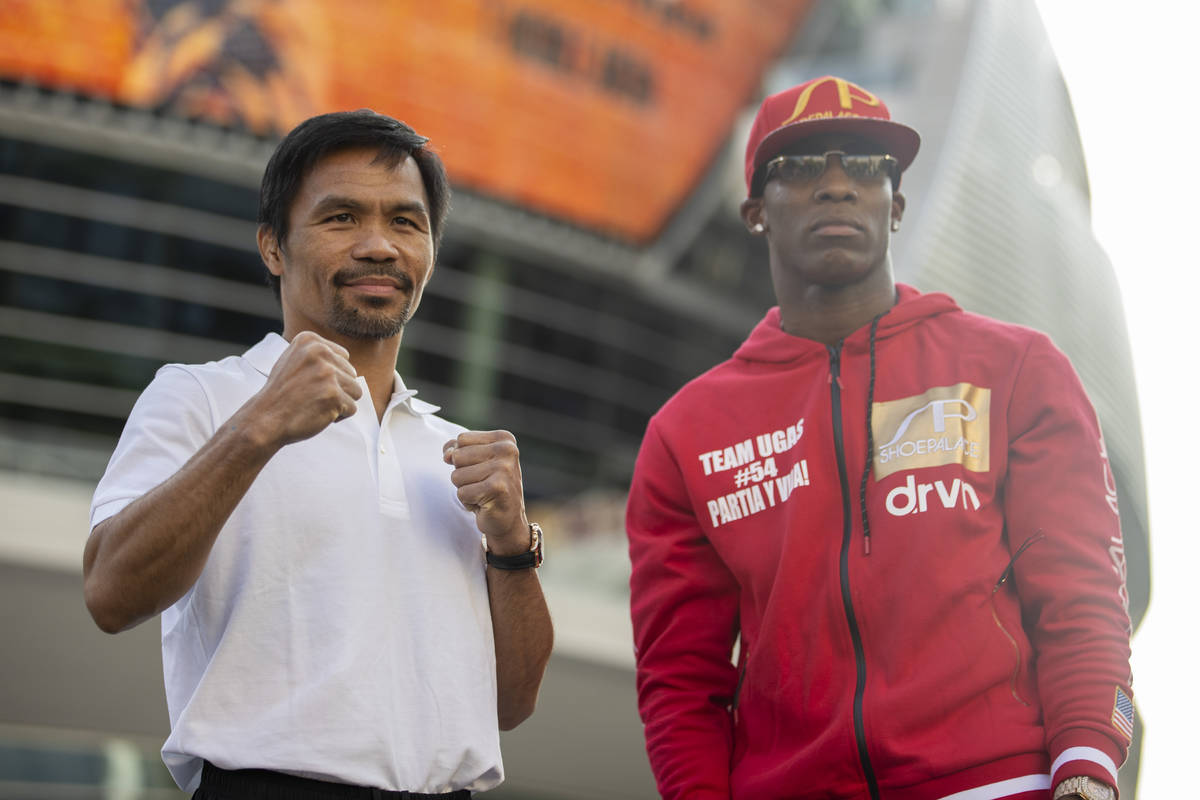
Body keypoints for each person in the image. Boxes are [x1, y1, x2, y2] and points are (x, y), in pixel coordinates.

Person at [626, 76, 1133, 800]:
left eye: (865, 165)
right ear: (754, 212)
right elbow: (681, 681)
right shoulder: (686, 435)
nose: (837, 186)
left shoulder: (1016, 371)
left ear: (894, 205)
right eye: (799, 167)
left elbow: (1080, 596)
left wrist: (1087, 766)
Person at [83, 110, 553, 798]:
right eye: (341, 219)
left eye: (406, 222)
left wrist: (512, 545)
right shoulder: (202, 398)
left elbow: (512, 704)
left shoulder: (456, 454)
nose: (379, 246)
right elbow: (110, 594)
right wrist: (259, 428)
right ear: (273, 248)